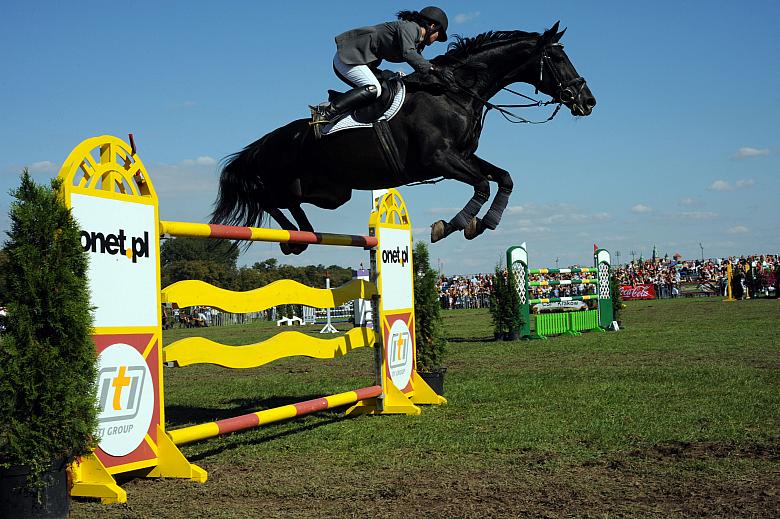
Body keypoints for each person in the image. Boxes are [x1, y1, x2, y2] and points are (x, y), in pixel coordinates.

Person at [310, 6, 453, 129]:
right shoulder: (410, 27)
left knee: (389, 85)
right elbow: (409, 54)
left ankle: (341, 106)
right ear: (432, 26)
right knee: (374, 88)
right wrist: (435, 69)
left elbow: (418, 64)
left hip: (362, 62)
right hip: (348, 58)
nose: (437, 39)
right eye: (438, 35)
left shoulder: (416, 42)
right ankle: (325, 112)